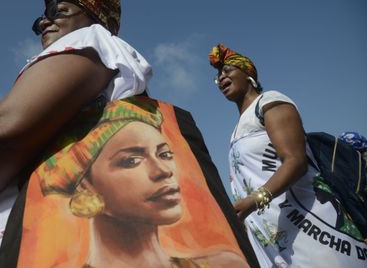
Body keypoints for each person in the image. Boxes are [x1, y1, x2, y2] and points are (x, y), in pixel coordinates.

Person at [0, 0, 151, 267]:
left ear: (94, 16)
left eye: (60, 11)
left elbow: (3, 133)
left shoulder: (91, 39)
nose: (44, 21)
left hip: (38, 235)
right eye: (41, 18)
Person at [35, 97, 249, 268]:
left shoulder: (227, 263)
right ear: (84, 184)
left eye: (164, 154)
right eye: (131, 160)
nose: (163, 171)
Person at [208, 44, 367, 267]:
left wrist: (257, 199)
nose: (221, 78)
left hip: (311, 226)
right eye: (217, 76)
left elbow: (295, 160)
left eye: (227, 70)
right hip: (276, 234)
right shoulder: (236, 130)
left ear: (248, 73)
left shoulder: (270, 101)